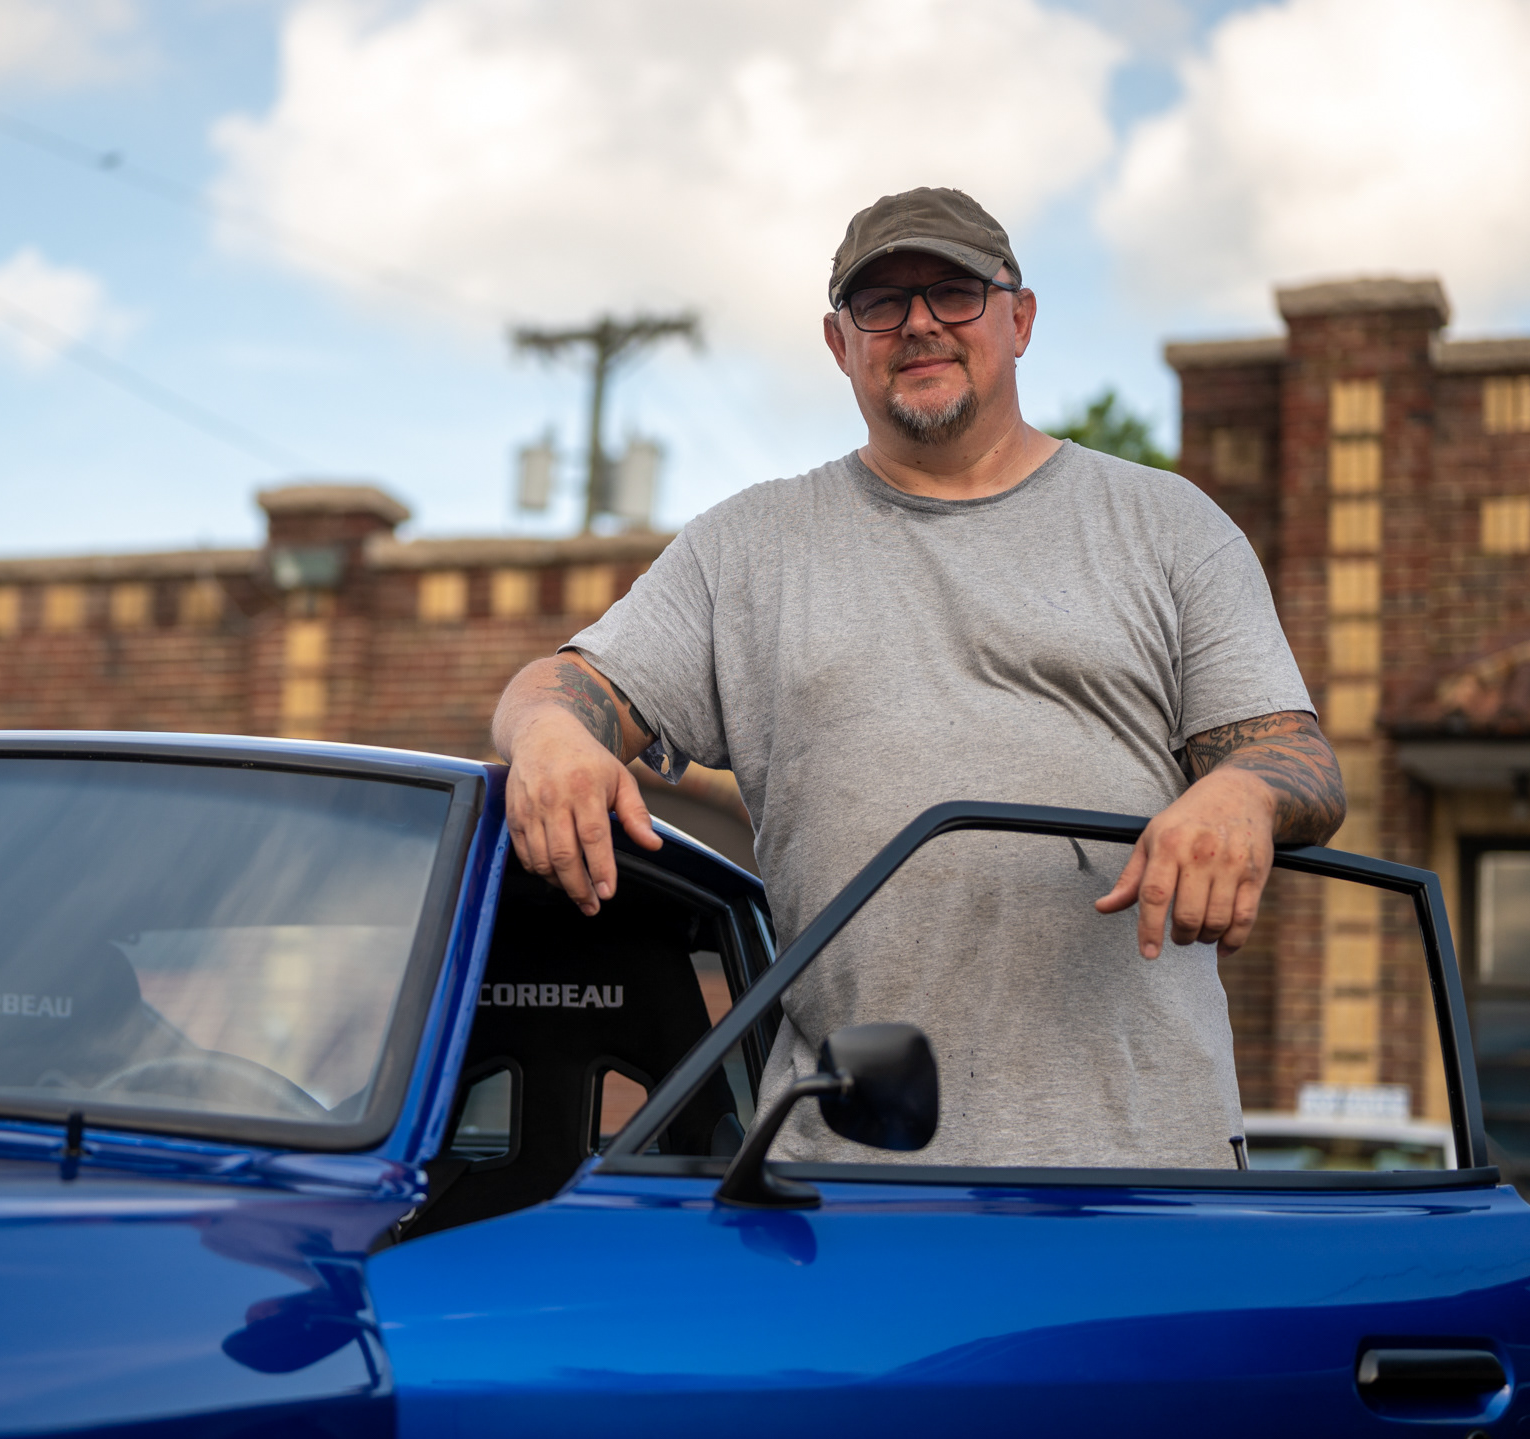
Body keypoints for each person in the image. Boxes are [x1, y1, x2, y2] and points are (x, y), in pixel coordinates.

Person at [490, 187, 1344, 1167]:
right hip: (846, 1180)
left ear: (1018, 318)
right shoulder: (749, 549)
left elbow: (1298, 759)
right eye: (882, 303)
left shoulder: (1168, 526)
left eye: (954, 292)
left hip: (1144, 1171)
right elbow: (561, 687)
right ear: (838, 341)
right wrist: (556, 737)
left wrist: (1236, 795)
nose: (920, 324)